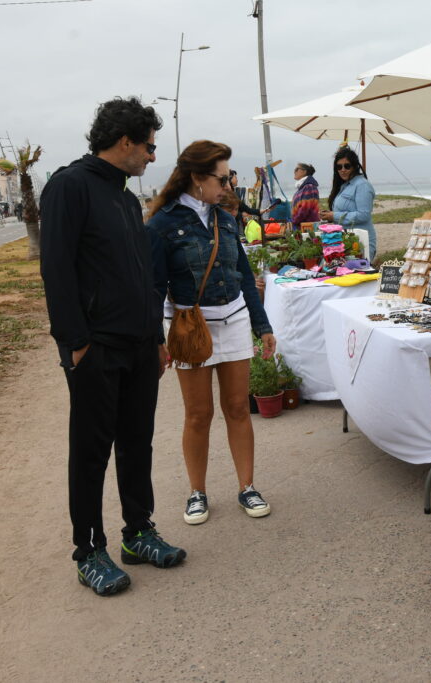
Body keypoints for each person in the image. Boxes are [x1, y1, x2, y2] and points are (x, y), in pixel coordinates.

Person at [40, 96, 185, 597]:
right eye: (148, 146)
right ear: (125, 141)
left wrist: (157, 337)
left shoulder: (125, 198)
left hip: (141, 345)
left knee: (136, 443)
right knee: (90, 452)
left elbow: (142, 275)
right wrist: (75, 343)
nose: (151, 156)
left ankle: (137, 532)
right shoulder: (69, 186)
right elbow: (55, 269)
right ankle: (89, 549)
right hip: (95, 347)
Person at [146, 140, 277, 527]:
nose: (228, 186)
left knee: (238, 408)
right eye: (222, 179)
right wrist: (157, 340)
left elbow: (243, 278)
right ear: (196, 178)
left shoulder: (224, 218)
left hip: (233, 319)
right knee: (198, 414)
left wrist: (262, 326)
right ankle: (197, 492)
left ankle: (247, 486)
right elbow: (153, 289)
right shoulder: (162, 225)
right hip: (190, 327)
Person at [320, 147, 375, 259]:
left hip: (361, 242)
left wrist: (334, 215)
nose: (343, 169)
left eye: (347, 166)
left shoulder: (362, 185)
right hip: (347, 241)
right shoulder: (345, 186)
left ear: (354, 166)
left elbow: (364, 214)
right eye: (339, 167)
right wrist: (329, 216)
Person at [228, 170, 261, 236]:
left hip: (236, 225)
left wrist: (264, 210)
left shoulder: (234, 195)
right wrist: (241, 214)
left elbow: (248, 209)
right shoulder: (225, 196)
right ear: (230, 179)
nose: (237, 180)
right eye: (235, 177)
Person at [290, 162, 320, 229]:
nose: (294, 171)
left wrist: (294, 221)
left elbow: (305, 208)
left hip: (307, 228)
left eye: (297, 169)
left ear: (304, 172)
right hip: (301, 226)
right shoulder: (302, 188)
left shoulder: (309, 186)